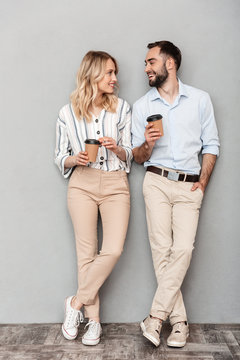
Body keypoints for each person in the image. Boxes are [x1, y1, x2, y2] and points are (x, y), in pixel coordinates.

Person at [132, 41, 220, 348]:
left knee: (182, 250)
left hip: (189, 185)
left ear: (170, 63)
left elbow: (211, 145)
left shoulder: (199, 100)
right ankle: (178, 323)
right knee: (162, 252)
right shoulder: (143, 106)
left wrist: (204, 182)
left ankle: (156, 318)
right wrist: (147, 143)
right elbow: (138, 157)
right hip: (155, 181)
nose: (146, 68)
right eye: (145, 63)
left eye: (151, 61)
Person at [55, 50, 132, 345]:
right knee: (86, 256)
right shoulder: (67, 113)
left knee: (112, 250)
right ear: (93, 74)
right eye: (109, 73)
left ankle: (75, 304)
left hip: (115, 183)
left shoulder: (122, 108)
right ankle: (94, 322)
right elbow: (59, 157)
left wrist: (116, 148)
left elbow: (130, 154)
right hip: (82, 184)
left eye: (116, 72)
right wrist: (76, 159)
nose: (115, 79)